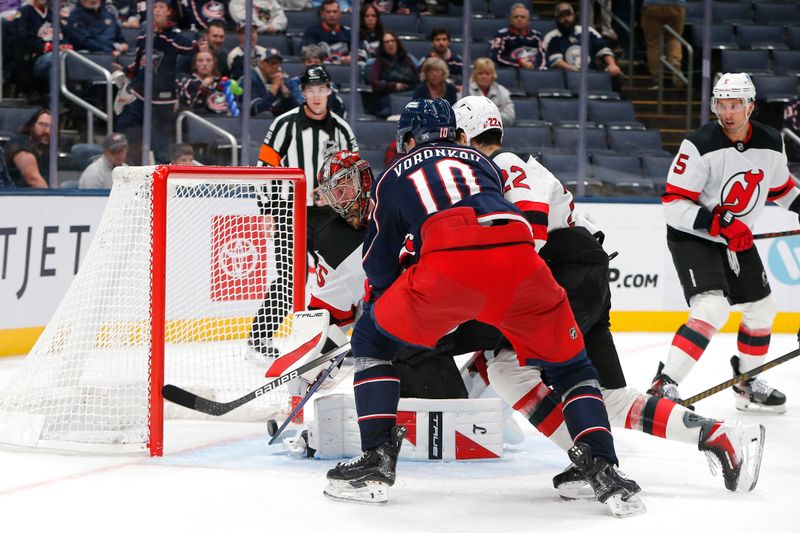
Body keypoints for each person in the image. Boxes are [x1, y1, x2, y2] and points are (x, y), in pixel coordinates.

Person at [323, 98, 644, 517]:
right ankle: (603, 470)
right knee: (571, 367)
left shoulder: (394, 176)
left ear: (407, 138)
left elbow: (378, 264)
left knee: (371, 341)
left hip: (450, 264)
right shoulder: (482, 161)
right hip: (522, 260)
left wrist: (386, 303)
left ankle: (376, 466)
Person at [452, 94, 767, 496]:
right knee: (612, 399)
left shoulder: (504, 165)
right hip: (580, 273)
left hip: (562, 278)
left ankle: (589, 458)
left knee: (505, 368)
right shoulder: (512, 165)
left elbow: (527, 240)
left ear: (466, 134)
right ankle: (721, 436)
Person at [650, 73, 800, 414]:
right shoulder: (699, 144)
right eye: (721, 104)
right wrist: (721, 223)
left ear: (751, 106)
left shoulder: (772, 141)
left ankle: (748, 381)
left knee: (762, 309)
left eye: (735, 105)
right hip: (695, 236)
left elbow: (781, 190)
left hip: (736, 238)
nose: (727, 112)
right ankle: (664, 383)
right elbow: (673, 204)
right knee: (711, 308)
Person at [251, 64, 358, 358]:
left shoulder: (342, 129)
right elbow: (265, 168)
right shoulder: (285, 124)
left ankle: (339, 341)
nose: (316, 96)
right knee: (289, 278)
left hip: (330, 217)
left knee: (345, 277)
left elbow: (354, 175)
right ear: (303, 92)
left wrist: (345, 206)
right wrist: (268, 209)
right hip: (290, 211)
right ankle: (258, 339)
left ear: (329, 90)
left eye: (321, 89)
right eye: (310, 90)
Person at [116, 0, 199, 163]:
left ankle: (162, 177)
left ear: (169, 12)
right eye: (154, 7)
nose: (157, 10)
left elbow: (190, 48)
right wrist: (125, 71)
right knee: (125, 129)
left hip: (163, 101)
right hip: (141, 97)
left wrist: (198, 45)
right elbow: (137, 61)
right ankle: (128, 167)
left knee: (159, 145)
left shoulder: (172, 36)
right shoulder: (144, 35)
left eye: (161, 7)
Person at [544, 3, 622, 84]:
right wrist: (576, 72)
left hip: (591, 74)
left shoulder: (587, 31)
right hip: (565, 77)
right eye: (562, 16)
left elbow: (603, 49)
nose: (566, 19)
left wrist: (612, 64)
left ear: (574, 16)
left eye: (568, 15)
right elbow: (556, 61)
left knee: (615, 72)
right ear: (556, 19)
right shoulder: (552, 37)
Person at [285, 44, 347, 118]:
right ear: (304, 64)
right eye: (309, 62)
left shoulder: (330, 85)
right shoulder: (294, 82)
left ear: (321, 64)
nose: (312, 65)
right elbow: (300, 104)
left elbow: (335, 107)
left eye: (316, 62)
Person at [365, 30, 418, 118]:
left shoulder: (407, 58)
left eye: (393, 41)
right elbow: (373, 81)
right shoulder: (379, 61)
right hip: (388, 97)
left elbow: (417, 78)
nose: (390, 44)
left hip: (408, 95)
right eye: (387, 42)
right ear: (383, 45)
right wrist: (393, 86)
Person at [641, 0, 686, 88]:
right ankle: (675, 62)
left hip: (652, 5)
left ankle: (657, 78)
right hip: (676, 4)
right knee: (674, 39)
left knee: (653, 42)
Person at [490, 3, 547, 70]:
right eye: (516, 17)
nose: (519, 19)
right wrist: (519, 63)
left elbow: (544, 56)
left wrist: (535, 68)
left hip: (534, 72)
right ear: (510, 19)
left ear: (528, 20)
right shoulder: (501, 35)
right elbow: (496, 57)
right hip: (511, 72)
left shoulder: (537, 36)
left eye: (522, 17)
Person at [4, 108, 51, 188]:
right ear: (32, 125)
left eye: (52, 127)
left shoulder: (48, 151)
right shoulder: (20, 143)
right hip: (14, 196)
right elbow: (33, 180)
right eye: (43, 125)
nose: (47, 131)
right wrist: (52, 198)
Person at [177, 50, 233, 115]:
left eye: (209, 61)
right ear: (195, 64)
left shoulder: (221, 82)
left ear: (214, 64)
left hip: (220, 119)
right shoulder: (189, 83)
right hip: (198, 119)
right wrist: (202, 87)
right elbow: (190, 106)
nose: (204, 64)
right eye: (200, 61)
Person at [467, 57, 515, 126]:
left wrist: (487, 119)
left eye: (487, 73)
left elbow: (510, 117)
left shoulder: (503, 92)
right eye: (480, 73)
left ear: (493, 75)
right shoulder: (466, 91)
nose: (484, 76)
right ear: (474, 75)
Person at [302, 0, 351, 65]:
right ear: (322, 14)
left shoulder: (348, 32)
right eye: (328, 12)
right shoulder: (311, 32)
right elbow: (307, 54)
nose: (332, 15)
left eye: (335, 11)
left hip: (344, 68)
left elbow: (360, 51)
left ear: (340, 14)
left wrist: (351, 57)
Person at [250, 48, 295, 117]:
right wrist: (274, 89)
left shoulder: (284, 79)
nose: (275, 67)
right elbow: (256, 110)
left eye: (277, 63)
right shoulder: (251, 80)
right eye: (271, 63)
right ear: (261, 63)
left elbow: (296, 110)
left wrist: (285, 91)